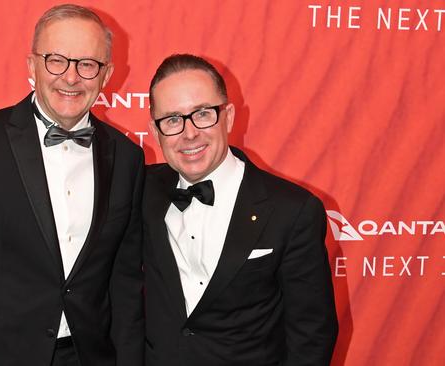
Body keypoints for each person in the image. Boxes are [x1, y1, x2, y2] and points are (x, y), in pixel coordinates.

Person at [0, 5, 144, 366]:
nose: (71, 78)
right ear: (32, 66)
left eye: (87, 64)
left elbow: (126, 288)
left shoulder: (127, 158)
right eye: (56, 60)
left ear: (107, 75)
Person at [143, 54, 338, 366]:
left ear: (228, 116)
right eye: (172, 120)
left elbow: (312, 334)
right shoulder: (140, 191)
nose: (189, 133)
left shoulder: (292, 210)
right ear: (155, 132)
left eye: (203, 113)